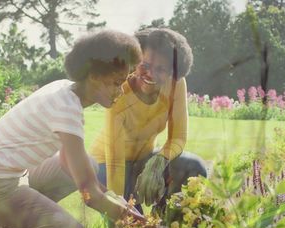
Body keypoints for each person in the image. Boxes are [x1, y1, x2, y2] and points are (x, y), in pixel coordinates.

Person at [0, 30, 144, 228]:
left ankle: (25, 224)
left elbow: (68, 164)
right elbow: (88, 194)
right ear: (93, 75)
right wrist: (124, 216)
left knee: (89, 165)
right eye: (116, 82)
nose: (120, 91)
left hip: (3, 174)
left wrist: (111, 198)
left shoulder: (65, 89)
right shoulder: (66, 109)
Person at [89, 28, 208, 213]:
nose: (150, 74)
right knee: (129, 227)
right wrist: (119, 209)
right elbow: (115, 163)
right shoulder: (119, 87)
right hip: (106, 164)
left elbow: (178, 137)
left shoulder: (176, 84)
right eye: (144, 65)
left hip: (144, 160)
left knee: (195, 167)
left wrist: (159, 161)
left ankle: (164, 226)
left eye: (161, 69)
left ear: (172, 72)